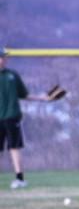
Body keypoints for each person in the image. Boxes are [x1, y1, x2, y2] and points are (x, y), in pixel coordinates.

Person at [0, 47, 53, 189]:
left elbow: (24, 94)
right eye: (1, 57)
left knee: (14, 147)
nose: (3, 60)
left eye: (4, 57)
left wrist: (42, 98)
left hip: (12, 116)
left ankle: (20, 179)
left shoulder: (12, 75)